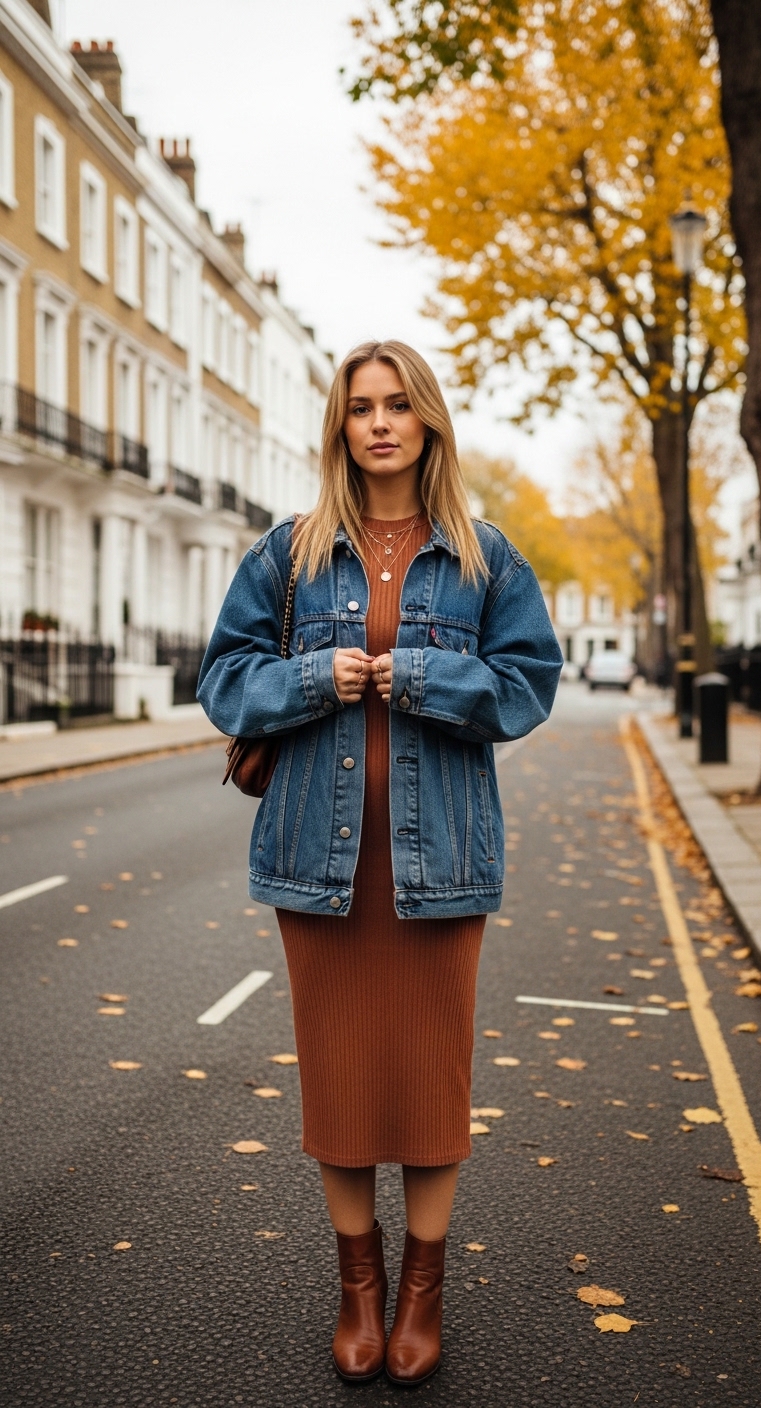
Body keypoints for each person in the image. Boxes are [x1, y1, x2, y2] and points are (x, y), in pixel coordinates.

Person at [198, 340, 562, 1386]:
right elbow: (225, 680)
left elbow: (530, 682)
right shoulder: (290, 555)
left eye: (400, 404)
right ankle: (359, 1285)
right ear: (341, 428)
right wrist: (317, 675)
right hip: (320, 861)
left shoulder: (483, 555)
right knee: (345, 1079)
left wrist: (428, 679)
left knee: (432, 1085)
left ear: (429, 422)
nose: (382, 423)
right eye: (362, 408)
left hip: (442, 859)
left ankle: (423, 1290)